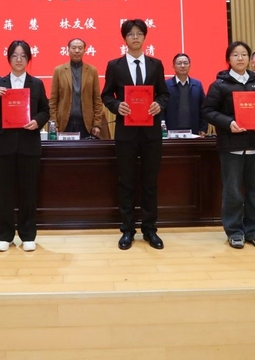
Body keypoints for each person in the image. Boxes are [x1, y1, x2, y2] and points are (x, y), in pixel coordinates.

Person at [202, 41, 255, 249]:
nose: (240, 58)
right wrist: (229, 123)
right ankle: (234, 231)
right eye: (235, 55)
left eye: (244, 54)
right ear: (228, 59)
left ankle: (254, 231)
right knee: (233, 192)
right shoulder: (219, 85)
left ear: (249, 59)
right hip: (231, 146)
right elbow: (208, 111)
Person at [101, 19, 169, 250]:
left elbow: (164, 94)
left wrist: (159, 104)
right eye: (131, 34)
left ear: (145, 37)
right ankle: (127, 230)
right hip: (126, 134)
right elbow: (106, 95)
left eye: (139, 33)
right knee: (127, 182)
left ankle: (150, 229)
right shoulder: (115, 65)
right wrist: (116, 105)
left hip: (151, 133)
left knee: (150, 182)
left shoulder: (155, 64)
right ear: (125, 38)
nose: (135, 37)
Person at [0, 40, 50, 252]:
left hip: (29, 145)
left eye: (23, 55)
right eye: (15, 55)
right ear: (9, 59)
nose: (19, 59)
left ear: (28, 58)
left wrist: (37, 121)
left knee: (28, 191)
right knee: (4, 192)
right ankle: (5, 236)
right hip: (4, 145)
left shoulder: (36, 84)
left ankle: (28, 235)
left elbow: (46, 110)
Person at [49, 38, 104, 139]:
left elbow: (97, 100)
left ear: (84, 51)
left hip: (86, 123)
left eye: (80, 48)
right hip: (64, 123)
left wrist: (97, 124)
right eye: (74, 48)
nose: (77, 51)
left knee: (85, 149)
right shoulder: (59, 70)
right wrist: (54, 123)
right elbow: (53, 100)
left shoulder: (92, 71)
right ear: (68, 50)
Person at [163, 53, 207, 136]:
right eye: (179, 63)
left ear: (190, 66)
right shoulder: (166, 85)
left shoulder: (197, 85)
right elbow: (162, 110)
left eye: (185, 63)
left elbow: (203, 108)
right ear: (173, 66)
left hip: (193, 131)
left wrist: (203, 128)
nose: (183, 66)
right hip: (171, 131)